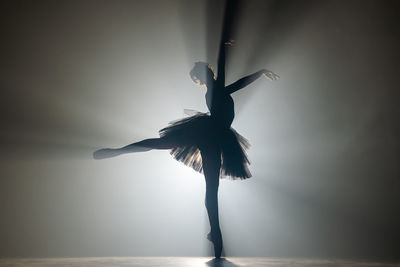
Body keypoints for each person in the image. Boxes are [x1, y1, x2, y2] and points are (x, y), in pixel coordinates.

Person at [93, 37, 278, 258]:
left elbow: (239, 82)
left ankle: (216, 234)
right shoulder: (216, 88)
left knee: (209, 187)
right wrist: (222, 48)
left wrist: (260, 71)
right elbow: (225, 70)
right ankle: (118, 151)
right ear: (205, 76)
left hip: (214, 136)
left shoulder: (218, 88)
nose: (209, 74)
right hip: (210, 134)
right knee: (169, 152)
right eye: (205, 73)